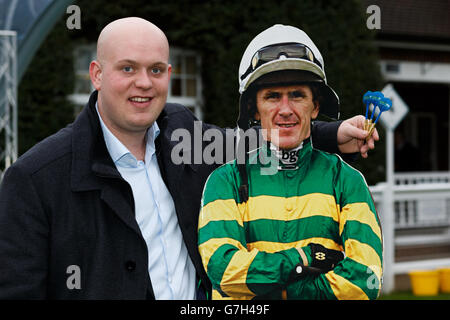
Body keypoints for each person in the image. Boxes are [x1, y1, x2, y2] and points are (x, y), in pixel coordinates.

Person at [0, 17, 377, 300]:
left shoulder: (187, 137)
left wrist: (333, 132)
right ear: (96, 74)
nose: (144, 83)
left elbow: (260, 136)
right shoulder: (34, 178)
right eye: (128, 68)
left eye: (156, 70)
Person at [198, 24, 383, 300]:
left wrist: (274, 291)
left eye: (297, 95)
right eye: (272, 97)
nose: (285, 109)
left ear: (315, 106)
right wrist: (304, 257)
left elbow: (364, 280)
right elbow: (223, 270)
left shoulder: (347, 180)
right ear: (254, 110)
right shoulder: (225, 180)